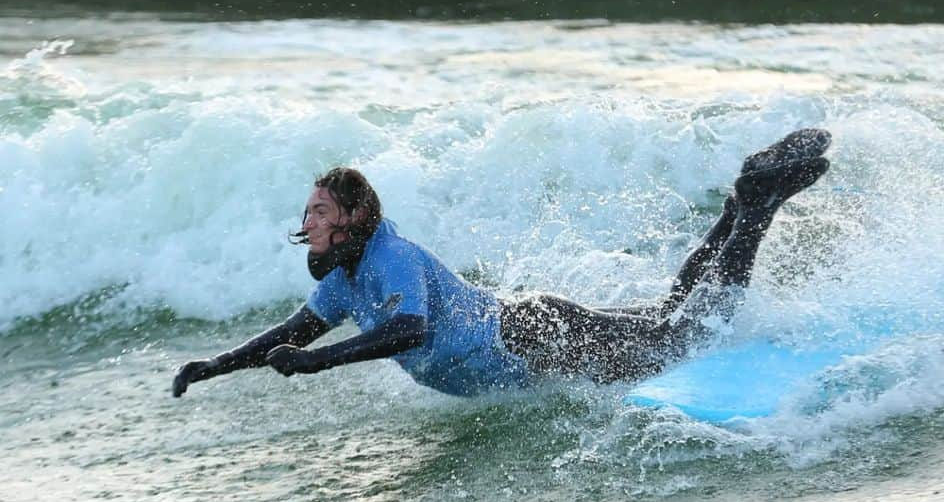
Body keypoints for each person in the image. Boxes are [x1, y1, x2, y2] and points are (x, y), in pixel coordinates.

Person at [171, 129, 830, 400]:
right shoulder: (347, 281)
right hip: (529, 331)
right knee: (665, 320)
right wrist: (215, 366)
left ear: (351, 218)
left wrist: (315, 363)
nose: (308, 221)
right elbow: (291, 335)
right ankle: (741, 206)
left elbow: (409, 332)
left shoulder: (390, 257)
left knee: (682, 340)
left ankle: (756, 210)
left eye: (319, 210)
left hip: (529, 339)